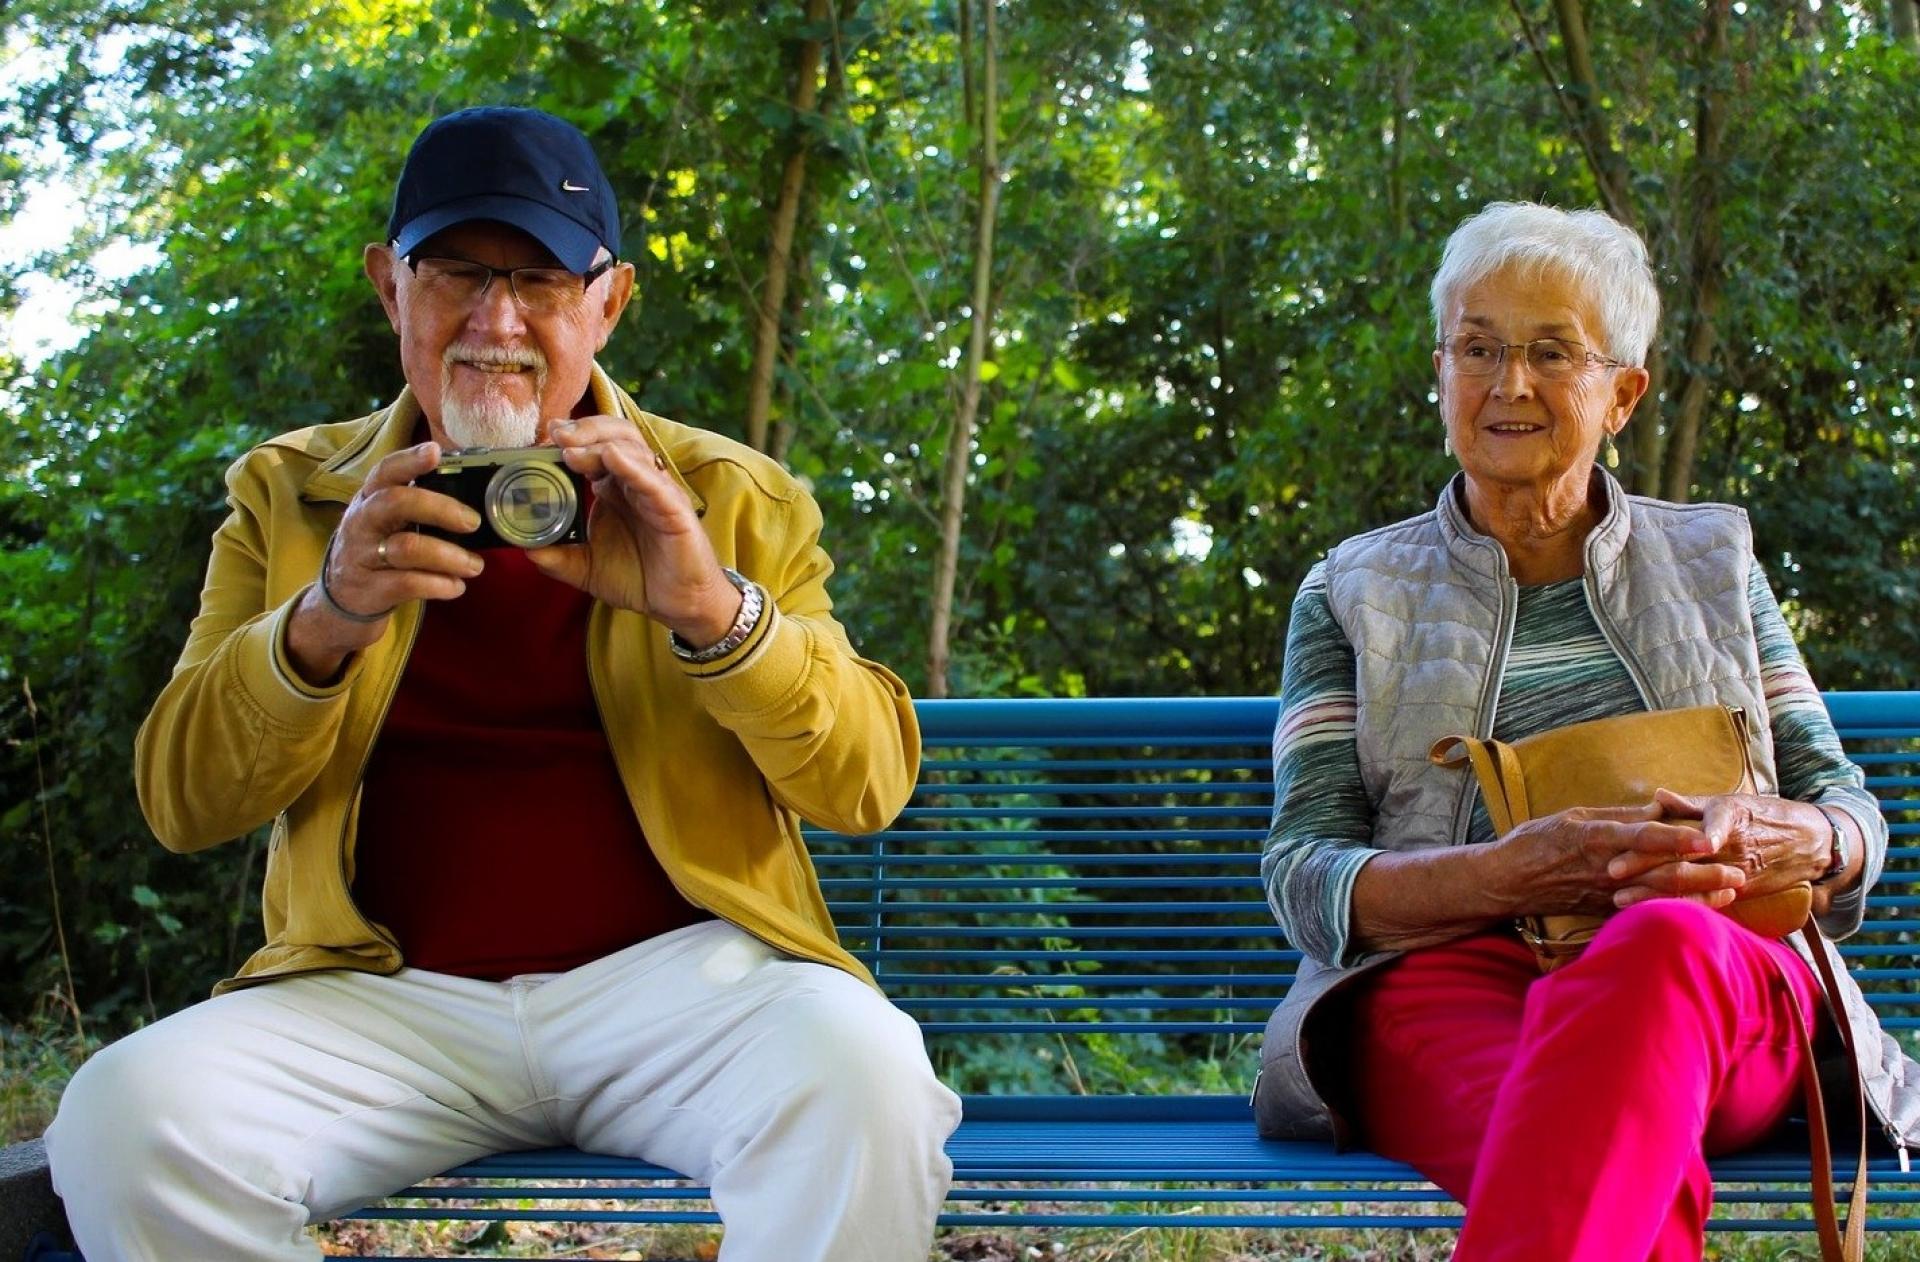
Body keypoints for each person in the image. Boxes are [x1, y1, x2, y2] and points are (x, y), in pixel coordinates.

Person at [43, 106, 960, 1262]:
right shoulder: (291, 493)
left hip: (684, 989)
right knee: (127, 1117)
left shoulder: (730, 494)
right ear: (392, 288)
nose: (495, 322)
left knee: (866, 1078)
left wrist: (712, 610)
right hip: (381, 998)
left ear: (609, 303)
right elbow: (183, 800)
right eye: (459, 274)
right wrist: (323, 619)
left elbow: (868, 784)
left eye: (539, 280)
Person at [1252, 201, 1918, 1260]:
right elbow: (1302, 868)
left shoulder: (1715, 562)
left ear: (1623, 393)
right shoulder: (1350, 590)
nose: (1507, 382)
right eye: (1479, 347)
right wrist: (1504, 875)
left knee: (1657, 950)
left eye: (1551, 352)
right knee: (1608, 1159)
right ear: (1441, 370)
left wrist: (1789, 836)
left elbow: (1849, 812)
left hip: (1711, 964)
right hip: (1447, 975)